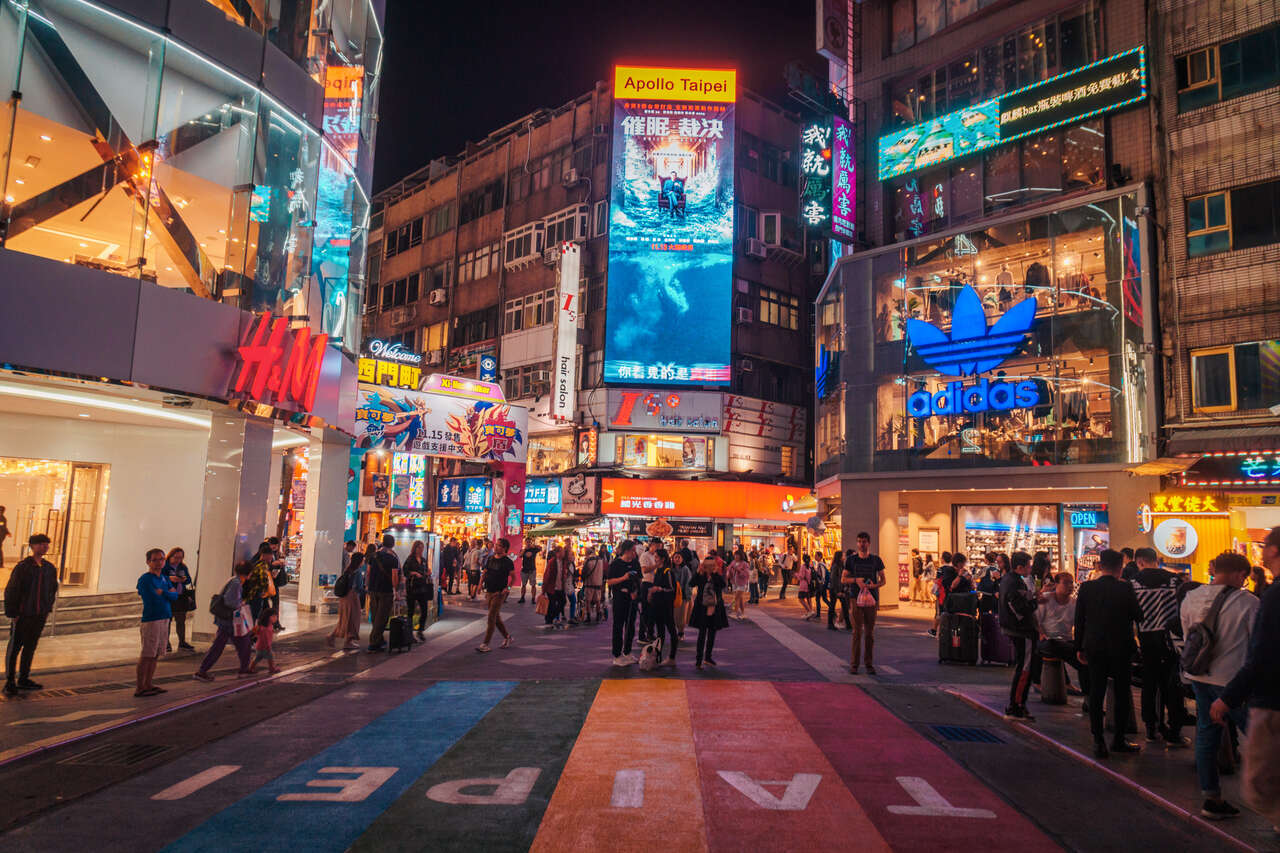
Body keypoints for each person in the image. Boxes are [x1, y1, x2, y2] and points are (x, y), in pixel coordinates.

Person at [1180, 551, 1260, 819]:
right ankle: (1270, 801)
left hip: (1200, 677)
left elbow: (1187, 637)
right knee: (1261, 737)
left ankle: (1211, 798)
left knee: (1206, 734)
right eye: (1245, 578)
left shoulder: (1191, 598)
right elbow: (1256, 647)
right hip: (1233, 684)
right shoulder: (1248, 603)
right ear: (1239, 575)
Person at [1211, 526, 1280, 831]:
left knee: (1256, 784)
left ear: (1274, 551)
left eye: (1266, 545)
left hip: (1269, 698)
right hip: (1264, 693)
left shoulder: (1272, 596)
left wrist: (1229, 697)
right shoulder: (1260, 598)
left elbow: (1261, 653)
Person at [1074, 548, 1143, 759]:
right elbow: (1138, 615)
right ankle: (1118, 739)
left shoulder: (1086, 588)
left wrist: (1079, 647)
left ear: (1100, 566)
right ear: (1120, 568)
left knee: (1097, 691)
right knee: (1122, 692)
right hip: (1121, 647)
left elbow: (1079, 620)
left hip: (1094, 646)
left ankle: (1098, 741)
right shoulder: (1126, 588)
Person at [1130, 546, 1187, 745]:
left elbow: (1133, 615)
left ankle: (1151, 728)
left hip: (1147, 639)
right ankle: (1174, 730)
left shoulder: (1133, 583)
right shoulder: (1174, 581)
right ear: (1156, 559)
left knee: (1150, 684)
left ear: (1140, 562)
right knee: (1172, 685)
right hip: (1171, 640)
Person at [3, 534, 58, 695]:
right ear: (32, 546)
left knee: (30, 647)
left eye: (46, 544)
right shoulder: (23, 567)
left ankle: (24, 678)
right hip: (23, 614)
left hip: (39, 614)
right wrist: (13, 612)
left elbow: (52, 590)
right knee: (15, 647)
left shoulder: (49, 568)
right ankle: (10, 680)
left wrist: (47, 608)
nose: (44, 547)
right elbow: (12, 590)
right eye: (41, 544)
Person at [194, 562, 254, 681]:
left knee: (228, 645)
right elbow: (230, 602)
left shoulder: (234, 580)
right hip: (230, 622)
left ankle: (203, 670)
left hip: (227, 621)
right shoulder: (236, 583)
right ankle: (243, 670)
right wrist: (241, 604)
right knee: (242, 644)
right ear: (248, 573)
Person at [999, 551, 1040, 721]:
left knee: (1023, 666)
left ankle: (1017, 705)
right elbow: (1020, 609)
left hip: (1015, 629)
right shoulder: (1014, 583)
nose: (1030, 568)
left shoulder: (1009, 580)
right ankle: (1016, 706)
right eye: (1028, 566)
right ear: (1020, 567)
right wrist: (1036, 601)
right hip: (1022, 631)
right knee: (1024, 668)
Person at [1036, 572, 1088, 699]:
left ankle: (1088, 697)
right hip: (1048, 641)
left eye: (1071, 583)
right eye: (1066, 583)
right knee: (1057, 646)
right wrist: (1042, 634)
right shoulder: (1046, 599)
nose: (1070, 586)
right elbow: (1035, 622)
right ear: (1056, 584)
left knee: (1085, 658)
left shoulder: (1075, 603)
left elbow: (1081, 624)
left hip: (1066, 641)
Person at [135, 548, 179, 697]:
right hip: (152, 619)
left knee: (156, 654)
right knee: (147, 653)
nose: (159, 563)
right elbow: (151, 598)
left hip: (165, 617)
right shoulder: (145, 579)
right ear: (148, 562)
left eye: (161, 559)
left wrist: (164, 593)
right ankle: (140, 687)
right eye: (155, 560)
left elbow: (175, 596)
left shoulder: (165, 578)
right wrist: (165, 594)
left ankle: (148, 683)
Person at [842, 532, 886, 675]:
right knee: (856, 632)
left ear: (869, 543)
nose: (862, 544)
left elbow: (883, 580)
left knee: (869, 633)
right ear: (857, 543)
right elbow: (843, 579)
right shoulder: (851, 560)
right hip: (856, 599)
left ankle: (868, 664)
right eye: (860, 541)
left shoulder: (876, 560)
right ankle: (854, 664)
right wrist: (856, 580)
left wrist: (874, 586)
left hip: (871, 599)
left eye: (865, 541)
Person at [477, 538, 515, 652]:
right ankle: (508, 637)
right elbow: (485, 573)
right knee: (496, 617)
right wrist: (480, 585)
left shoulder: (507, 561)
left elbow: (513, 577)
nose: (496, 547)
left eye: (499, 545)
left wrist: (507, 588)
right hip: (489, 591)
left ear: (504, 548)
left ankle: (485, 643)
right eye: (496, 545)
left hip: (499, 593)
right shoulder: (490, 559)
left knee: (491, 617)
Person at [690, 556, 728, 668]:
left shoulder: (716, 576)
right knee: (702, 634)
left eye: (712, 566)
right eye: (707, 566)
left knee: (712, 633)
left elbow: (723, 585)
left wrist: (716, 573)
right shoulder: (701, 575)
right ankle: (699, 659)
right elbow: (691, 584)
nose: (709, 568)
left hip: (714, 608)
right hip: (702, 608)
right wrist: (698, 571)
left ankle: (708, 657)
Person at [607, 540, 641, 666]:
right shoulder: (616, 564)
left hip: (632, 599)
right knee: (618, 626)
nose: (635, 553)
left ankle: (627, 651)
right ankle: (617, 655)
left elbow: (639, 579)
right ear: (627, 551)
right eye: (633, 550)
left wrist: (636, 591)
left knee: (630, 626)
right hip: (619, 598)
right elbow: (609, 582)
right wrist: (624, 578)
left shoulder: (635, 563)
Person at [367, 534, 400, 652]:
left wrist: (368, 586)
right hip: (386, 590)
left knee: (376, 616)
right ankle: (373, 642)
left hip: (373, 589)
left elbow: (368, 573)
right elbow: (394, 577)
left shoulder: (373, 556)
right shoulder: (393, 558)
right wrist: (395, 590)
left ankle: (379, 640)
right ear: (393, 544)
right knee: (382, 617)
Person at [649, 549, 679, 665]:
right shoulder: (658, 570)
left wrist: (659, 589)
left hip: (666, 606)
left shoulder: (668, 572)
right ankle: (658, 657)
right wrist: (651, 592)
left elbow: (672, 590)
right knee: (660, 632)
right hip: (657, 605)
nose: (655, 559)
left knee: (671, 630)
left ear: (662, 559)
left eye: (656, 557)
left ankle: (672, 657)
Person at [328, 551, 363, 650]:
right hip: (352, 597)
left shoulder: (348, 569)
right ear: (360, 561)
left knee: (346, 619)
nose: (363, 562)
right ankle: (347, 641)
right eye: (363, 560)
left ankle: (336, 637)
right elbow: (359, 587)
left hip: (344, 597)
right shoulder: (358, 571)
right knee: (353, 619)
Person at [164, 548, 195, 653]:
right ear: (170, 556)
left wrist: (184, 579)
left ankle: (182, 642)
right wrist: (170, 579)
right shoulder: (165, 566)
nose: (178, 560)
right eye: (176, 557)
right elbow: (160, 578)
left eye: (180, 557)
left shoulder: (182, 566)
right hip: (169, 597)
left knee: (181, 620)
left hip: (181, 596)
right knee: (167, 621)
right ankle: (166, 643)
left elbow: (189, 580)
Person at [403, 540, 432, 641]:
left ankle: (420, 630)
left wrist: (428, 573)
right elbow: (405, 571)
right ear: (415, 548)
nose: (421, 550)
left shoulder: (423, 560)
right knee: (410, 611)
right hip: (412, 587)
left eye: (422, 548)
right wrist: (414, 573)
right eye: (419, 548)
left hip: (422, 588)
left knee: (424, 610)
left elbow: (426, 571)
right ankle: (409, 634)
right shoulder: (410, 559)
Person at [243, 542, 274, 622]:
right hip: (256, 594)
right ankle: (251, 632)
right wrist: (265, 591)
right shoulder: (262, 566)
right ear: (264, 555)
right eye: (270, 556)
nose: (271, 558)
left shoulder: (257, 563)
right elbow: (263, 580)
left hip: (252, 594)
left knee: (253, 615)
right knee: (254, 616)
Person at [247, 606, 280, 674]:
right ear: (268, 617)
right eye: (273, 616)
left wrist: (273, 631)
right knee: (271, 657)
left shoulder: (266, 625)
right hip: (265, 647)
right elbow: (266, 639)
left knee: (257, 657)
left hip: (259, 646)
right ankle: (272, 669)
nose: (276, 618)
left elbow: (258, 632)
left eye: (276, 616)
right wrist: (268, 647)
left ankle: (250, 668)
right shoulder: (266, 628)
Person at [543, 545, 567, 629]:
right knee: (551, 604)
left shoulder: (563, 562)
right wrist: (544, 589)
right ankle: (548, 619)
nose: (563, 553)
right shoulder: (552, 562)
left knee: (563, 602)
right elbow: (547, 575)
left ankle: (550, 617)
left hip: (560, 587)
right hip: (552, 587)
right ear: (557, 553)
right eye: (562, 551)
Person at [827, 549, 849, 631]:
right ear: (839, 557)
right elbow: (834, 579)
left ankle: (848, 623)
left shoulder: (841, 566)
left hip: (840, 589)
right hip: (835, 589)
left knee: (844, 606)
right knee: (833, 606)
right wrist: (838, 591)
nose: (844, 557)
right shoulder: (836, 566)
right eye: (843, 555)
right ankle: (830, 624)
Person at [673, 549, 694, 636]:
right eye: (675, 557)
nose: (677, 559)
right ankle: (676, 631)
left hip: (683, 596)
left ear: (682, 559)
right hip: (673, 595)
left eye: (679, 557)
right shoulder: (670, 569)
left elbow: (688, 583)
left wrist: (688, 596)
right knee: (674, 615)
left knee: (682, 615)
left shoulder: (685, 569)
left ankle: (681, 632)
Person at [726, 549, 750, 620]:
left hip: (742, 583)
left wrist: (738, 570)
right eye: (735, 555)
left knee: (736, 598)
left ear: (741, 556)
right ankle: (743, 613)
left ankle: (735, 613)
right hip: (734, 583)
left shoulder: (744, 564)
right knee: (740, 599)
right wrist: (728, 573)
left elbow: (746, 574)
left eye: (737, 555)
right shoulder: (733, 562)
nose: (736, 556)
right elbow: (729, 570)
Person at [811, 552, 827, 620]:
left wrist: (821, 582)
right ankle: (833, 612)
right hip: (821, 584)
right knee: (824, 598)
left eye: (816, 556)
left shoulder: (821, 564)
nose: (815, 557)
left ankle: (818, 615)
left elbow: (823, 574)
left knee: (818, 599)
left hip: (820, 584)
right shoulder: (820, 564)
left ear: (820, 557)